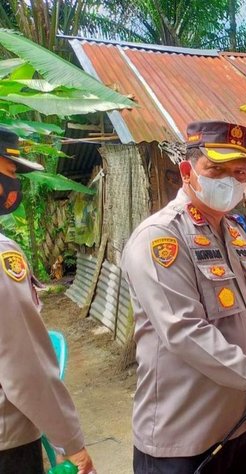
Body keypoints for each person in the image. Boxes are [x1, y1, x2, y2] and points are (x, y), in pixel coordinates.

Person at [122, 120, 246, 474]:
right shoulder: (161, 238)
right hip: (186, 440)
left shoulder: (233, 231)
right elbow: (186, 333)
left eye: (240, 172)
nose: (229, 180)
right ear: (187, 170)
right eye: (216, 169)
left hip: (241, 426)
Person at [0, 127, 95, 474]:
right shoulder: (2, 256)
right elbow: (25, 368)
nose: (14, 184)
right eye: (10, 172)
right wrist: (71, 444)